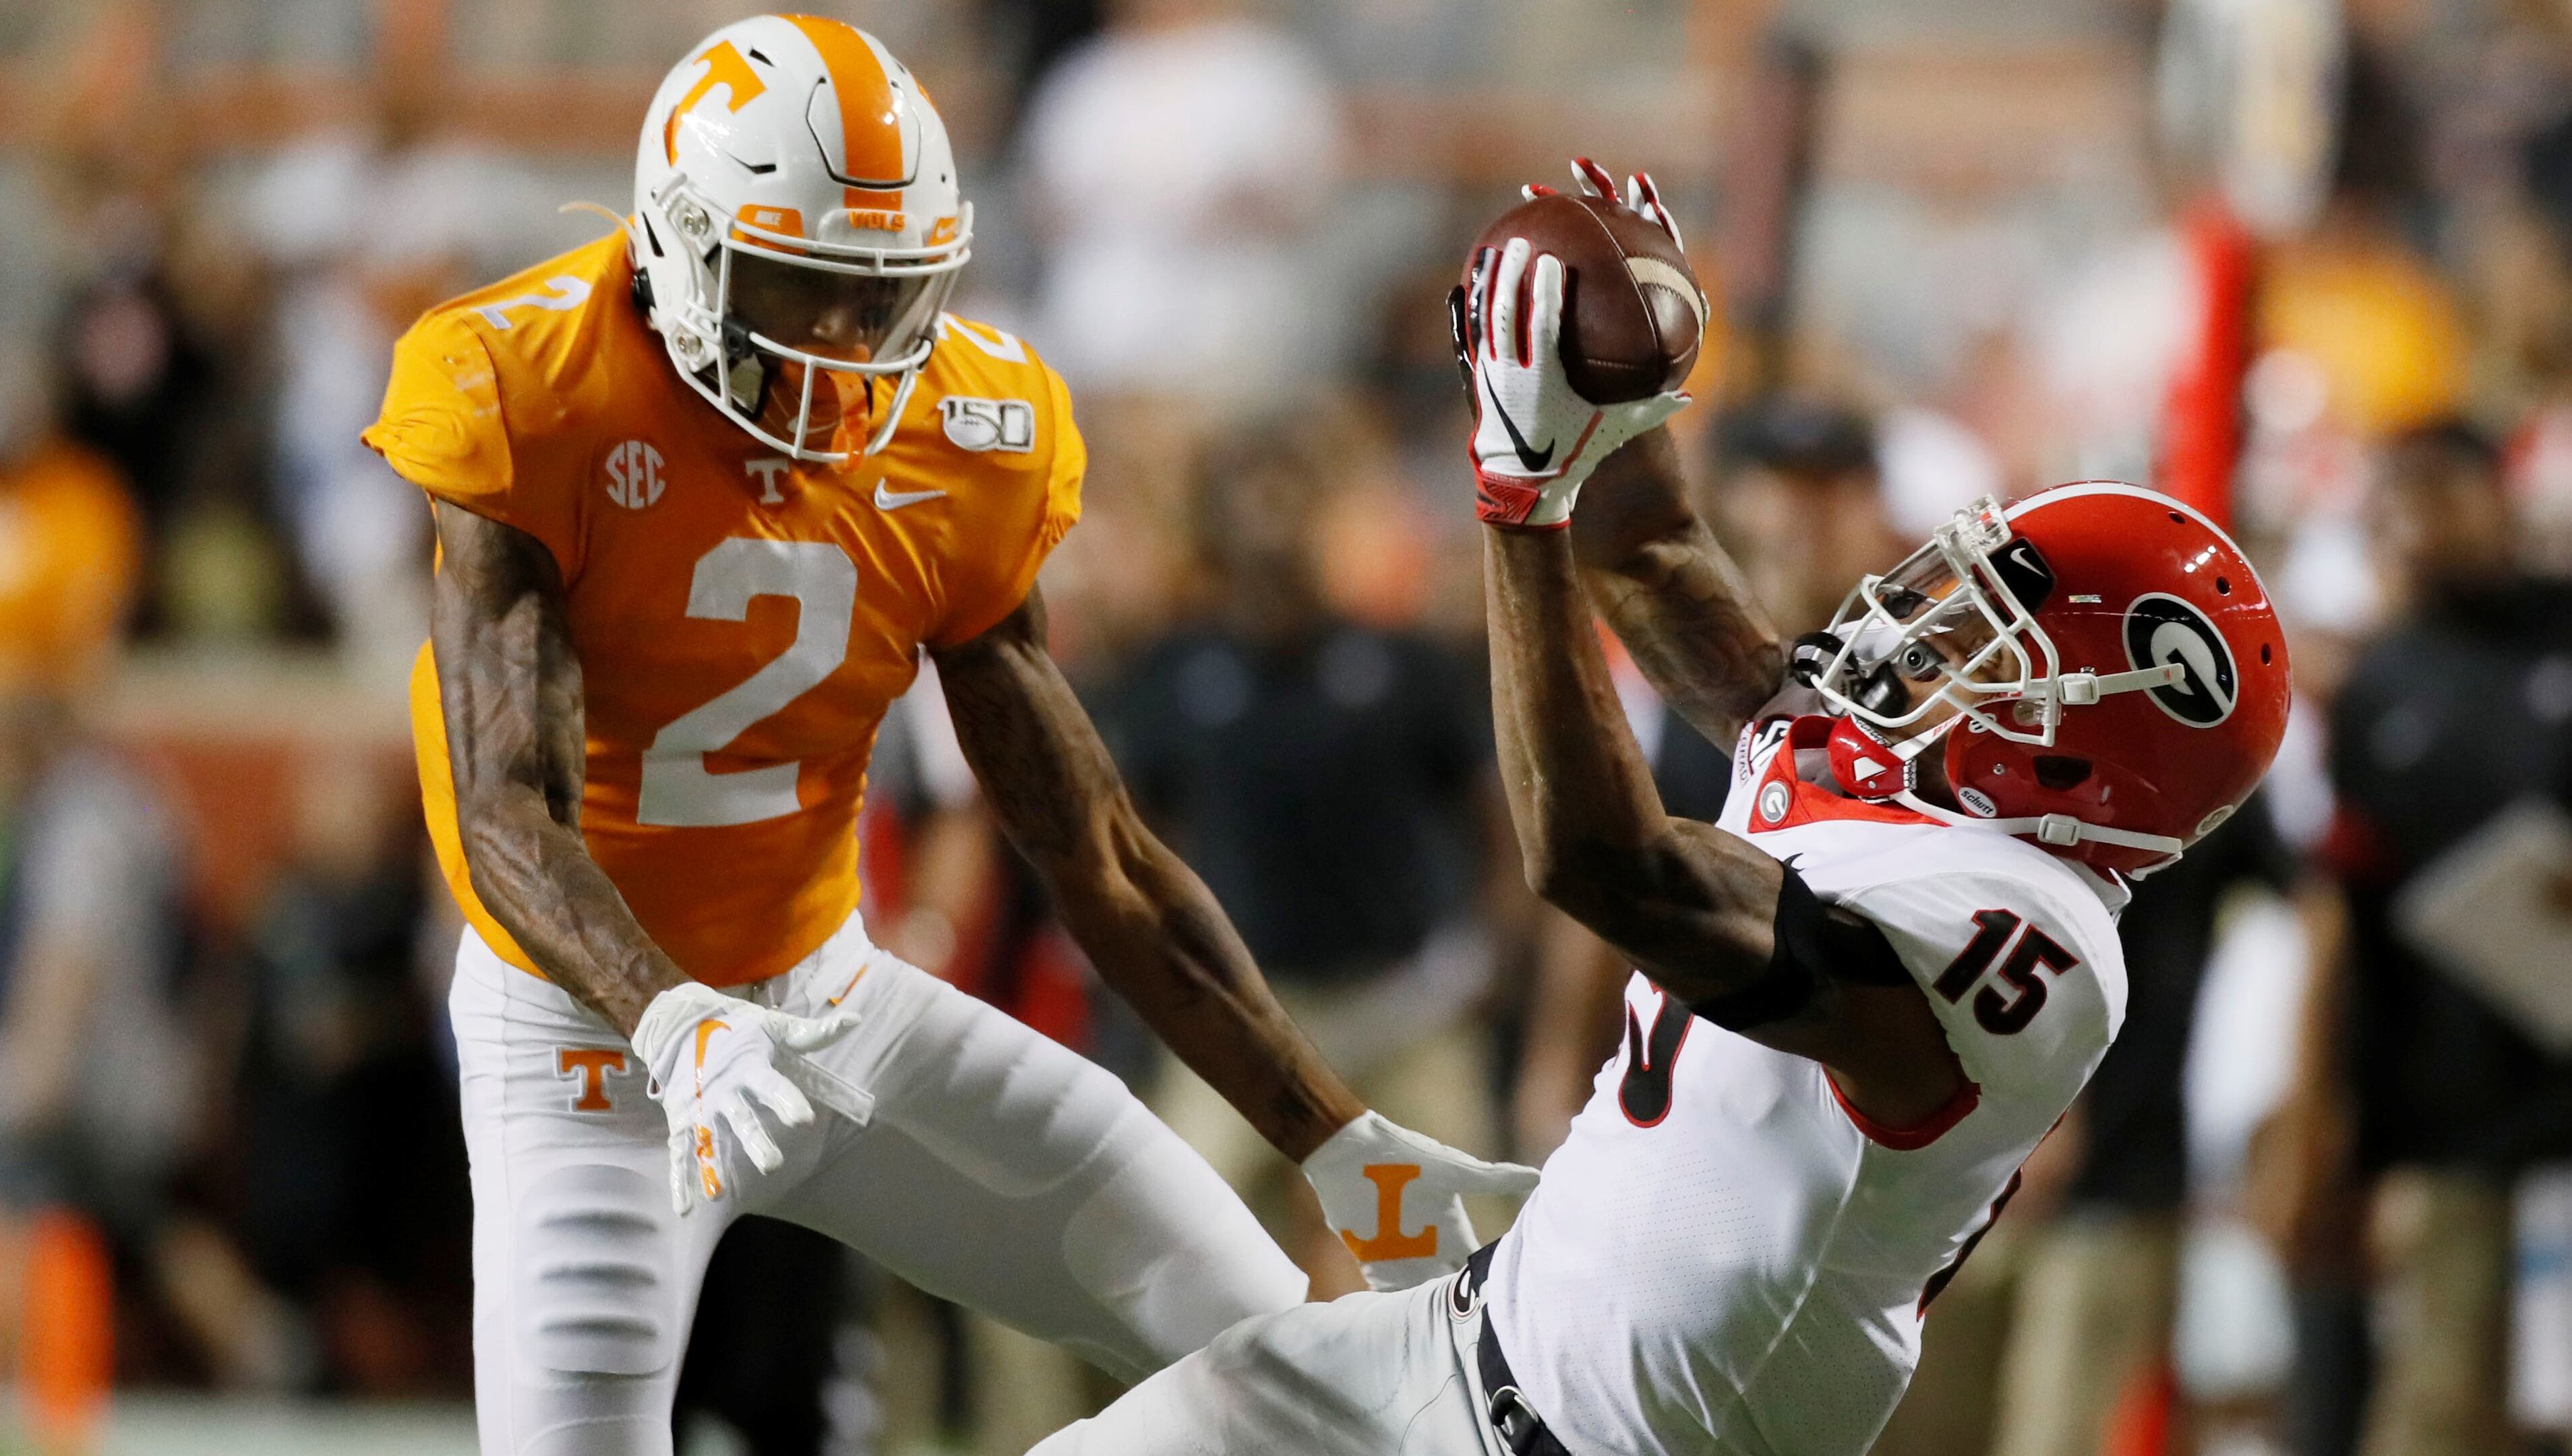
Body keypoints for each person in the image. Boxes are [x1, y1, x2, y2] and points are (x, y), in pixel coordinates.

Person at [358, 19, 1524, 1454]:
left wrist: (1332, 1136)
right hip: (589, 1043)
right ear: (684, 246)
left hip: (831, 998)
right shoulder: (530, 383)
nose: (851, 347)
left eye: (883, 293)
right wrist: (672, 1018)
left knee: (1277, 1346)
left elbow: (1097, 851)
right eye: (807, 286)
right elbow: (504, 812)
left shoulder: (965, 429)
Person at [1029, 159, 2294, 1456]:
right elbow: (1649, 551)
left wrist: (1520, 495)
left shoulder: (2029, 936)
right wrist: (1613, 372)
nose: (1920, 627)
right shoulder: (1896, 774)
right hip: (1459, 1342)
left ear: (2087, 748)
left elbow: (1605, 865)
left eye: (1984, 639)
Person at [1109, 423, 1509, 1290]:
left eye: (1290, 498)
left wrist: (1478, 951)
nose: (1272, 525)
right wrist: (1170, 971)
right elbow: (1127, 841)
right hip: (1249, 1013)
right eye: (1251, 502)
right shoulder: (1172, 674)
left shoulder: (1405, 665)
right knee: (1172, 1229)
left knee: (1471, 1248)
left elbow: (1499, 822)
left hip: (1399, 1001)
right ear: (1213, 528)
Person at [2257, 420, 2572, 1456]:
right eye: (2397, 497)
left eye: (2440, 490)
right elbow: (2342, 920)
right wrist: (2326, 1122)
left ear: (2499, 492)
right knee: (2436, 1405)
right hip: (2448, 1107)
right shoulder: (2382, 685)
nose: (2419, 519)